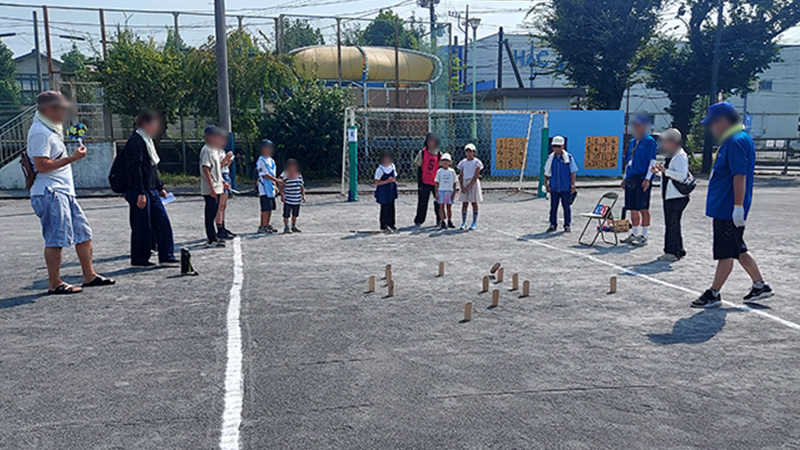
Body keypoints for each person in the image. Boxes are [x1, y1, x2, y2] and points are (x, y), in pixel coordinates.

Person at [26, 91, 115, 294]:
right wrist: (72, 158)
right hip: (51, 191)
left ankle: (89, 275)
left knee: (83, 233)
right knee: (56, 238)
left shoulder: (51, 128)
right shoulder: (40, 131)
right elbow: (41, 165)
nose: (65, 112)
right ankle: (54, 283)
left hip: (63, 191)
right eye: (62, 108)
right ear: (49, 109)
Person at [692, 102, 773, 308]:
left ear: (724, 121)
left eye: (713, 123)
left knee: (726, 252)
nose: (711, 128)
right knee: (737, 249)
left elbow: (739, 176)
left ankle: (714, 292)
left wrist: (737, 206)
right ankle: (759, 285)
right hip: (726, 205)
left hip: (728, 207)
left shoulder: (736, 141)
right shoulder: (735, 139)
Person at [123, 109, 176, 267]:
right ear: (145, 124)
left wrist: (160, 187)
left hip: (151, 189)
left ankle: (167, 255)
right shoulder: (136, 141)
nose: (156, 128)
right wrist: (140, 192)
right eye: (155, 124)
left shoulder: (147, 140)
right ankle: (140, 258)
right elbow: (136, 168)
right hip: (140, 189)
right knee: (142, 225)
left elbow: (152, 167)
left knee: (162, 221)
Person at [650, 128, 690, 262]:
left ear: (673, 142)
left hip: (677, 196)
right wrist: (658, 172)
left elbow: (681, 176)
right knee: (673, 223)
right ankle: (679, 248)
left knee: (672, 224)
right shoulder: (672, 155)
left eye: (665, 141)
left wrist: (665, 171)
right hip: (670, 194)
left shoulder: (680, 156)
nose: (663, 144)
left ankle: (672, 252)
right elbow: (668, 174)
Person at [621, 114, 658, 246]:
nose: (635, 128)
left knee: (643, 208)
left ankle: (644, 235)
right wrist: (625, 177)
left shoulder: (649, 142)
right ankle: (634, 233)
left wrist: (648, 178)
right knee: (632, 207)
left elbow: (652, 161)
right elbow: (629, 161)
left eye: (638, 125)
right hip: (631, 177)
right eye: (634, 125)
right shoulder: (632, 142)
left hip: (642, 177)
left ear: (644, 127)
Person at [199, 126, 229, 247]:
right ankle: (211, 239)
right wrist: (211, 188)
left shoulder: (214, 150)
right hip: (210, 188)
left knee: (215, 211)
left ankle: (214, 237)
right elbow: (206, 169)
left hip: (217, 186)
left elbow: (216, 170)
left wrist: (222, 181)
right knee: (210, 214)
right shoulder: (206, 150)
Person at [544, 135, 578, 233]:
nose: (556, 148)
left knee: (566, 207)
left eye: (558, 146)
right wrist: (546, 184)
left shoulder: (569, 158)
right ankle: (552, 224)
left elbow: (573, 172)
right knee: (553, 207)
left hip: (565, 187)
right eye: (554, 146)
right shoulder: (550, 158)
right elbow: (546, 172)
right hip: (554, 187)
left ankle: (567, 225)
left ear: (563, 146)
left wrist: (572, 185)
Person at [413, 132, 442, 227]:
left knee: (438, 202)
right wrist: (419, 183)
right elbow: (418, 167)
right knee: (422, 202)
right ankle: (419, 220)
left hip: (436, 183)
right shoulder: (423, 153)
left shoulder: (439, 154)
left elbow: (442, 169)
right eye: (430, 140)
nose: (431, 142)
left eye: (433, 140)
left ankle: (440, 219)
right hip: (425, 182)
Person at [256, 139, 282, 234]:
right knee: (265, 208)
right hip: (264, 188)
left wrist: (275, 185)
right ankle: (262, 225)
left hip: (270, 187)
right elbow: (265, 174)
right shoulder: (261, 160)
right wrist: (277, 181)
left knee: (270, 207)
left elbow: (273, 174)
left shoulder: (271, 161)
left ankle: (267, 224)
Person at [457, 143, 484, 230]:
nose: (469, 153)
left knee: (474, 202)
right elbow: (460, 175)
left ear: (474, 152)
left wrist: (469, 186)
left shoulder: (477, 162)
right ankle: (463, 222)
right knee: (464, 203)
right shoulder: (463, 162)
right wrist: (462, 186)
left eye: (470, 151)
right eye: (467, 151)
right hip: (465, 182)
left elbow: (476, 175)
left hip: (473, 183)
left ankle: (474, 222)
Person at [215, 142, 236, 239]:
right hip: (221, 176)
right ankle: (219, 228)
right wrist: (225, 159)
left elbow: (225, 166)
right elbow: (217, 168)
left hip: (226, 174)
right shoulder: (214, 152)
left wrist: (229, 160)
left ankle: (223, 226)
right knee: (220, 205)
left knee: (223, 205)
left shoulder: (222, 151)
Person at [374, 150, 398, 232]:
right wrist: (387, 181)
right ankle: (384, 225)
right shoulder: (380, 169)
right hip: (383, 191)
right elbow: (377, 181)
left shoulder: (392, 166)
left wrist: (393, 181)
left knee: (391, 207)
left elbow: (394, 176)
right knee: (384, 208)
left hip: (391, 189)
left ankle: (392, 224)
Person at [279, 158, 305, 234]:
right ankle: (286, 227)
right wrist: (282, 195)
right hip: (288, 199)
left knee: (295, 214)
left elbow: (301, 186)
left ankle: (293, 226)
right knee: (286, 214)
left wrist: (303, 195)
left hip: (296, 199)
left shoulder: (299, 176)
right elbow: (281, 186)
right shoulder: (284, 175)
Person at [434, 153, 459, 229]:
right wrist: (436, 192)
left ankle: (449, 220)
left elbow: (454, 182)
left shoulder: (452, 171)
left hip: (449, 191)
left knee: (449, 207)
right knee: (441, 206)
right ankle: (442, 221)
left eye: (447, 160)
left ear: (450, 162)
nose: (445, 162)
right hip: (441, 190)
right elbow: (437, 182)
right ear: (441, 162)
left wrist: (454, 191)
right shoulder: (439, 171)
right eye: (443, 160)